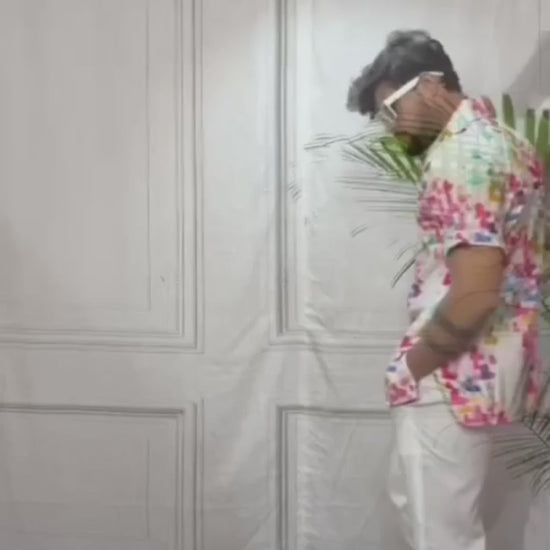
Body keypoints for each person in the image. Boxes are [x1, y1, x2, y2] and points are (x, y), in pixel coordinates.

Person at [347, 30, 545, 549]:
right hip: (491, 371)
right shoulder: (509, 145)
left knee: (438, 537)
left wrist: (413, 366)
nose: (391, 128)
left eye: (392, 109)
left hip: (451, 377)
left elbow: (475, 295)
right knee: (446, 529)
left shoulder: (462, 156)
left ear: (431, 85)